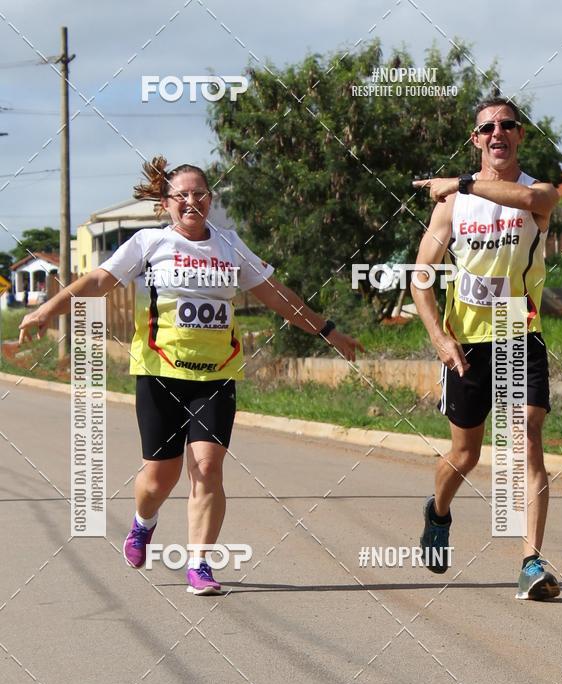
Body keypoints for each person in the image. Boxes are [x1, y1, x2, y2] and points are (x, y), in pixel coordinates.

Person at [19, 156, 363, 595]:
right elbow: (98, 282)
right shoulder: (148, 243)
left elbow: (276, 295)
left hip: (216, 376)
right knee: (159, 477)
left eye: (199, 193)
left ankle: (199, 564)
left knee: (207, 467)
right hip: (161, 373)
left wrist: (326, 329)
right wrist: (48, 309)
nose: (191, 201)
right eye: (181, 195)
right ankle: (143, 523)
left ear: (210, 199)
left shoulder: (229, 244)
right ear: (166, 204)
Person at [411, 98, 560, 601]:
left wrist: (461, 181)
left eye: (507, 126)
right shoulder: (452, 205)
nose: (498, 133)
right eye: (487, 128)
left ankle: (531, 562)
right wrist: (438, 337)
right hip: (467, 345)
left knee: (526, 441)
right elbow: (421, 278)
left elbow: (527, 201)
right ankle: (437, 511)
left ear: (520, 136)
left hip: (520, 333)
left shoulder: (540, 192)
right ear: (476, 140)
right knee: (465, 453)